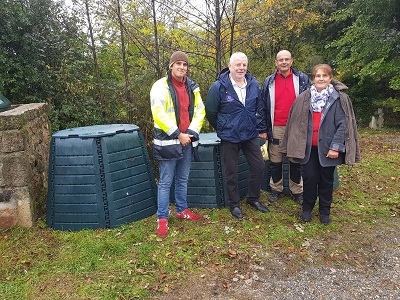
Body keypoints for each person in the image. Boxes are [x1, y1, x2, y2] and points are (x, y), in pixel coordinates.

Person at [280, 64, 360, 225]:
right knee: (309, 179)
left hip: (328, 149)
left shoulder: (338, 99)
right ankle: (307, 209)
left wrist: (335, 147)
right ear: (313, 78)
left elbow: (342, 124)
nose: (321, 79)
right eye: (318, 76)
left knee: (326, 180)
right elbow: (295, 122)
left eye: (324, 76)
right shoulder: (304, 98)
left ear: (330, 78)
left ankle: (324, 211)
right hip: (309, 149)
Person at [205, 52, 269, 219]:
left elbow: (259, 107)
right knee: (231, 172)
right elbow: (211, 112)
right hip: (230, 136)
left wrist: (260, 127)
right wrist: (223, 126)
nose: (241, 68)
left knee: (259, 166)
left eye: (244, 65)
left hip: (249, 133)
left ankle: (253, 198)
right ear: (230, 65)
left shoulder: (253, 84)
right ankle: (234, 204)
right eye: (238, 65)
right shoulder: (219, 86)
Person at [150, 51, 206, 237]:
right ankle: (162, 218)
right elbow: (159, 113)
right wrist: (177, 134)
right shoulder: (160, 86)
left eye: (185, 64)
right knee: (166, 182)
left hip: (186, 141)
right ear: (171, 66)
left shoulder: (192, 86)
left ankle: (181, 211)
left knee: (182, 179)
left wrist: (190, 133)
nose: (182, 67)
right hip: (168, 142)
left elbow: (200, 111)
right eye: (178, 63)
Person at [258, 50, 311, 204]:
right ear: (276, 62)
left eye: (287, 59)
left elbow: (309, 102)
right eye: (281, 60)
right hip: (276, 126)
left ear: (291, 61)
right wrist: (262, 129)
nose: (284, 62)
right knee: (275, 161)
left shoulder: (302, 79)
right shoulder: (269, 81)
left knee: (296, 161)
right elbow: (261, 106)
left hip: (296, 127)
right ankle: (276, 189)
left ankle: (297, 191)